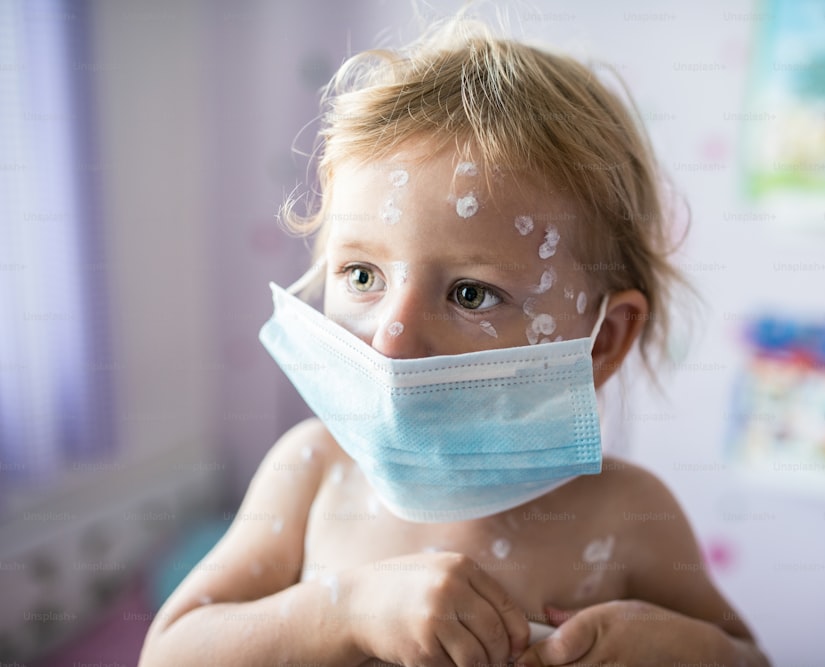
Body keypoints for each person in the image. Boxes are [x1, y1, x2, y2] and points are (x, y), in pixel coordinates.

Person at [139, 14, 769, 667]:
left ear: (602, 340)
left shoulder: (629, 515)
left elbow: (749, 657)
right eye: (361, 274)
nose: (392, 335)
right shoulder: (312, 472)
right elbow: (168, 653)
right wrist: (339, 609)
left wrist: (679, 648)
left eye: (470, 294)